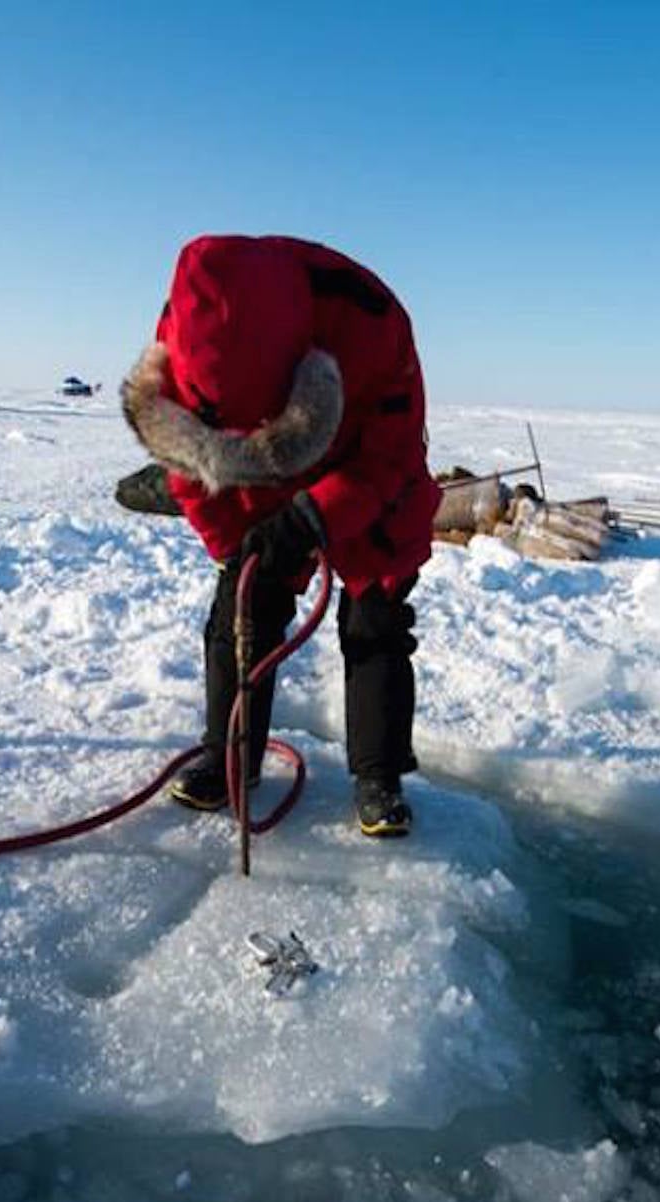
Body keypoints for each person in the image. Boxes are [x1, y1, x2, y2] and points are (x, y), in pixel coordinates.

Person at [122, 235, 438, 837]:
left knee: (375, 616)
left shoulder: (371, 318)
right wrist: (232, 549)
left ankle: (378, 775)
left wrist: (315, 517)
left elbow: (388, 456)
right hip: (250, 475)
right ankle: (228, 756)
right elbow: (188, 467)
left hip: (361, 464)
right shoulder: (185, 334)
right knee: (242, 602)